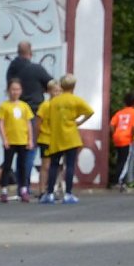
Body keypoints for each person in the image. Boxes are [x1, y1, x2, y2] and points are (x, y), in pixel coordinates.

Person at [39, 74, 93, 205]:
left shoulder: (54, 102)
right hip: (71, 137)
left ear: (61, 87)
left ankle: (49, 193)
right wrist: (79, 121)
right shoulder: (76, 100)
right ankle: (68, 193)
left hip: (56, 137)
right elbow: (90, 111)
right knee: (70, 165)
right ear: (73, 86)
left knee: (53, 165)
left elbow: (48, 119)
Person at [0, 79, 35, 203]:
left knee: (22, 166)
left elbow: (28, 123)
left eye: (17, 89)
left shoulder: (24, 106)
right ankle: (4, 190)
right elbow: (1, 123)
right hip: (10, 140)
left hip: (22, 140)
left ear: (21, 91)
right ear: (8, 91)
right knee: (7, 166)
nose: (15, 92)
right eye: (13, 89)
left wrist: (30, 139)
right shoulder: (4, 106)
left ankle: (23, 189)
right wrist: (4, 139)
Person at [5, 41, 53, 116]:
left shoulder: (11, 69)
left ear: (18, 52)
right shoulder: (37, 69)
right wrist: (43, 89)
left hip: (16, 110)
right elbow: (52, 84)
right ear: (30, 53)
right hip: (34, 109)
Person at [110, 91, 134, 192]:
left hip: (117, 137)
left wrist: (114, 134)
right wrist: (131, 136)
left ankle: (118, 180)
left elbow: (111, 125)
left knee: (120, 160)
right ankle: (118, 181)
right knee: (126, 161)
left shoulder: (120, 112)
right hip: (127, 138)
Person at [35, 79, 63, 200]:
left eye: (59, 91)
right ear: (49, 92)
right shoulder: (45, 105)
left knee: (56, 165)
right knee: (45, 166)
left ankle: (53, 188)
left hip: (58, 140)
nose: (57, 93)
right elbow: (38, 123)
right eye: (55, 91)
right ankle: (42, 190)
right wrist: (37, 137)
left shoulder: (61, 107)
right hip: (46, 139)